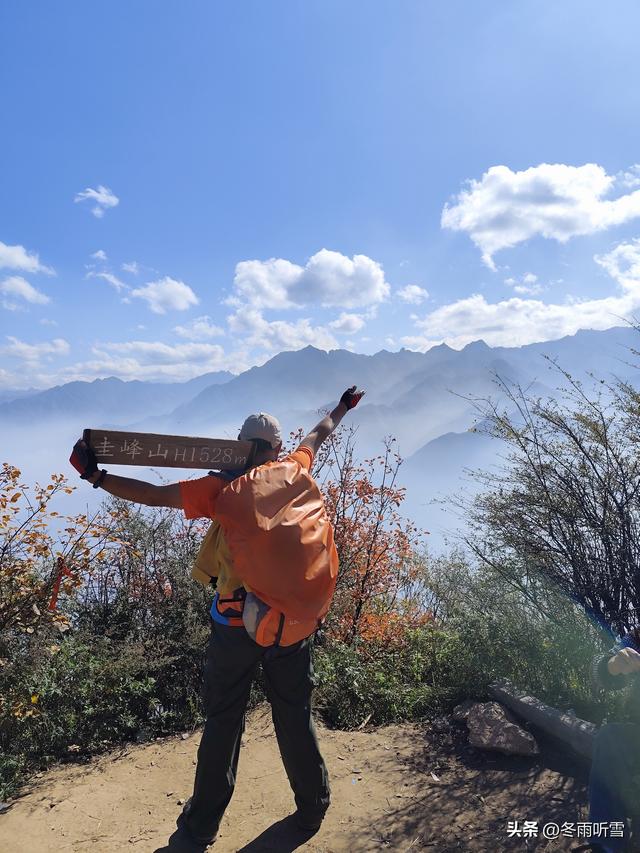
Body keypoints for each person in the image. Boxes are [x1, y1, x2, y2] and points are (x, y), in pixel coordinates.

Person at [69, 386, 365, 851]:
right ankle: (312, 807)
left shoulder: (219, 489)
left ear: (240, 445)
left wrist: (96, 476)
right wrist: (343, 407)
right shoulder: (294, 467)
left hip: (235, 626)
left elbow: (150, 495)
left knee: (224, 720)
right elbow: (320, 433)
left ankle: (200, 827)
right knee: (294, 714)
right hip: (294, 623)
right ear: (276, 448)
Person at [576, 629, 640, 853]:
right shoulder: (637, 637)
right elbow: (598, 671)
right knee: (610, 737)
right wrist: (613, 664)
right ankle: (607, 844)